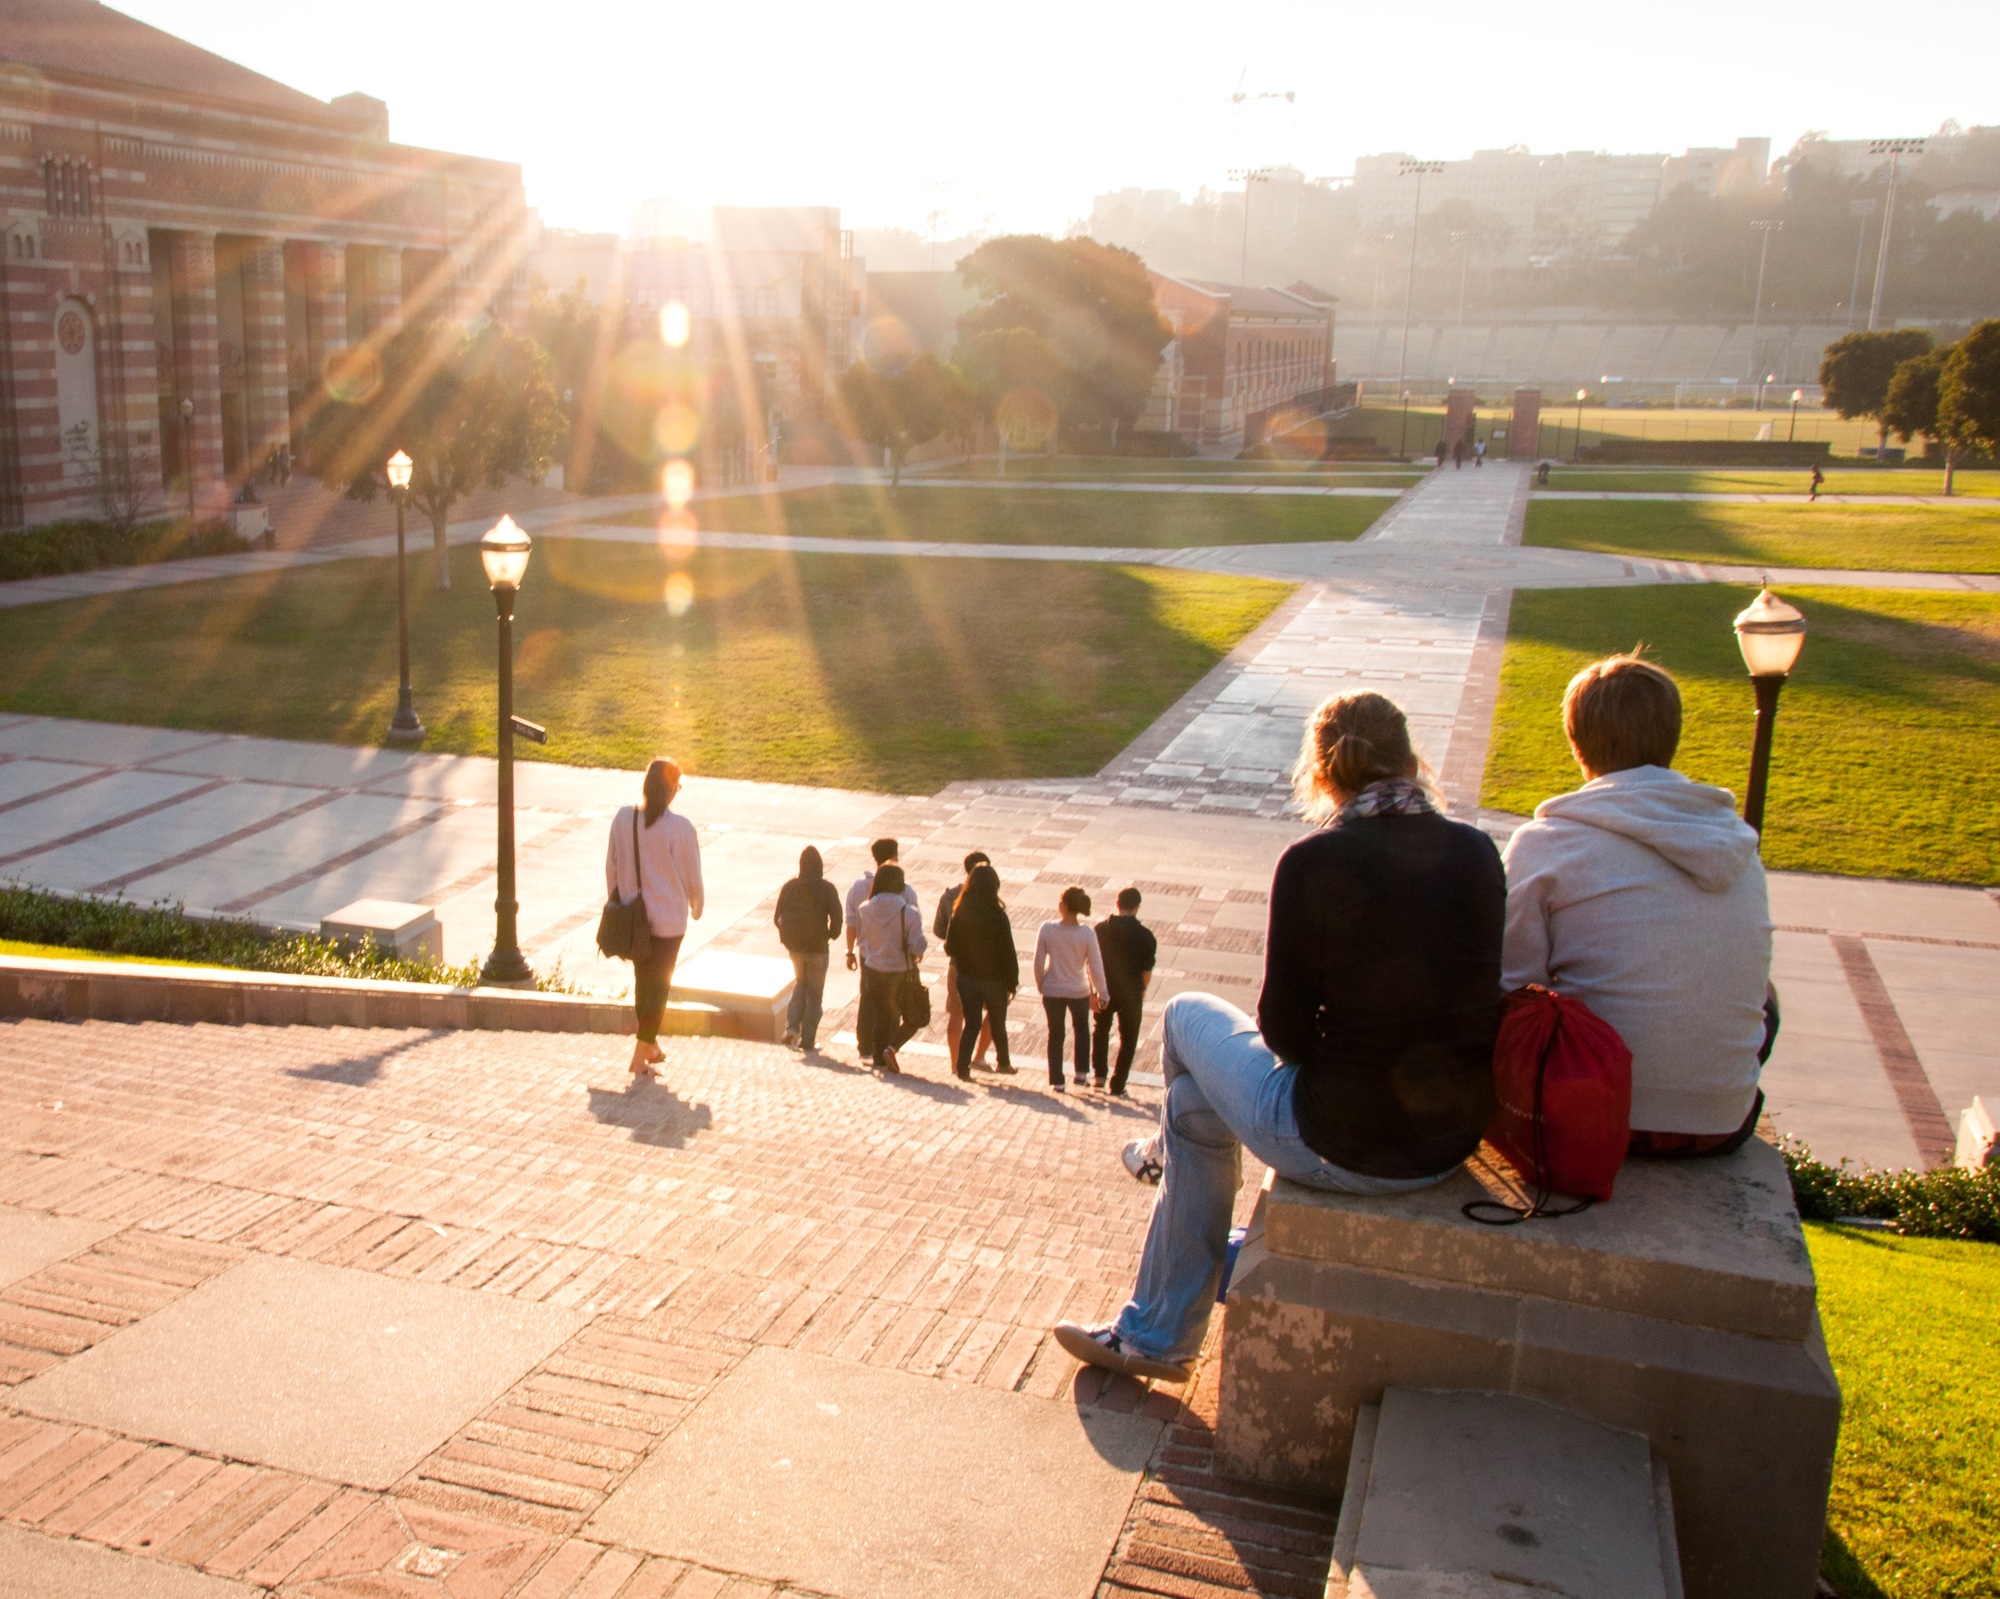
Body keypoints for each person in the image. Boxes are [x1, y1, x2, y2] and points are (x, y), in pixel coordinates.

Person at [1054, 692, 1504, 1384]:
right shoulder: (1478, 852)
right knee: (1192, 1107)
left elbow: (1286, 1036)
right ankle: (1153, 1335)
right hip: (1446, 1139)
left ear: (1322, 775)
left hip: (1343, 1140)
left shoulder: (1314, 861)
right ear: (1413, 761)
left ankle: (1154, 1165)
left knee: (1182, 1015)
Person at [1501, 653, 1775, 1156]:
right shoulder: (1736, 845)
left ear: (1574, 742)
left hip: (1583, 1109)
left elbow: (1513, 984)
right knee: (1763, 994)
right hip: (1722, 1123)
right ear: (1672, 735)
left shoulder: (1547, 843)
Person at [604, 758, 704, 1079]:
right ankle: (638, 1058)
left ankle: (649, 1046)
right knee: (658, 989)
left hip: (635, 918)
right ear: (672, 791)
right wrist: (697, 906)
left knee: (643, 982)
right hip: (670, 922)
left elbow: (611, 865)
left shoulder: (623, 818)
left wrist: (617, 900)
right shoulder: (680, 828)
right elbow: (693, 877)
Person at [945, 862, 1019, 1081]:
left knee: (972, 1023)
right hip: (994, 980)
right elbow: (1008, 951)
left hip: (967, 978)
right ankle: (1003, 1063)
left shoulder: (959, 911)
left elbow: (950, 947)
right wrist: (1012, 982)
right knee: (997, 1023)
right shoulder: (998, 916)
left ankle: (962, 1067)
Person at [851, 863, 927, 1073]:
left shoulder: (865, 909)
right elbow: (917, 945)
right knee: (915, 1016)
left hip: (874, 969)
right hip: (900, 972)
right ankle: (891, 1048)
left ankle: (879, 1057)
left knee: (881, 1015)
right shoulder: (909, 913)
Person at [846, 837, 916, 1061]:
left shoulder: (858, 887)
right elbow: (914, 924)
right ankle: (887, 1048)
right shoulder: (905, 890)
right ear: (894, 856)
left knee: (868, 1000)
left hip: (868, 953)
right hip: (897, 957)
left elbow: (851, 924)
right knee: (892, 1004)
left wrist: (849, 951)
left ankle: (865, 1045)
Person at [1035, 887, 1109, 1093]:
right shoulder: (1087, 933)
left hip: (1052, 989)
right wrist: (1103, 993)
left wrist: (1042, 984)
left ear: (1064, 905)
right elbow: (1095, 966)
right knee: (1081, 1030)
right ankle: (1080, 1074)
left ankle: (1057, 1080)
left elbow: (1038, 961)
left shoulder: (1047, 929)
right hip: (1079, 989)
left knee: (1055, 1034)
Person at [774, 846, 842, 1052]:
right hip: (818, 948)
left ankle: (792, 1027)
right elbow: (837, 918)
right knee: (815, 993)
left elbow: (777, 917)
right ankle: (808, 1039)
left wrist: (787, 938)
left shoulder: (790, 887)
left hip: (795, 948)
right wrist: (831, 934)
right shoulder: (827, 888)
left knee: (800, 984)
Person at [1092, 887, 1158, 1096]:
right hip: (1131, 993)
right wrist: (1142, 990)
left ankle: (1099, 1076)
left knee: (1101, 1030)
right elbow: (1146, 970)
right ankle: (1118, 1084)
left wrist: (1093, 989)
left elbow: (1091, 963)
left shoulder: (1100, 930)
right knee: (1128, 1039)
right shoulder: (1146, 936)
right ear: (1137, 907)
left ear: (1117, 903)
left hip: (1104, 989)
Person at [935, 851, 995, 1070]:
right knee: (995, 1010)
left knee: (957, 1014)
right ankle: (978, 1057)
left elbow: (939, 929)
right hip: (987, 967)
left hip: (958, 964)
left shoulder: (950, 896)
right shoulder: (991, 898)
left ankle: (954, 1063)